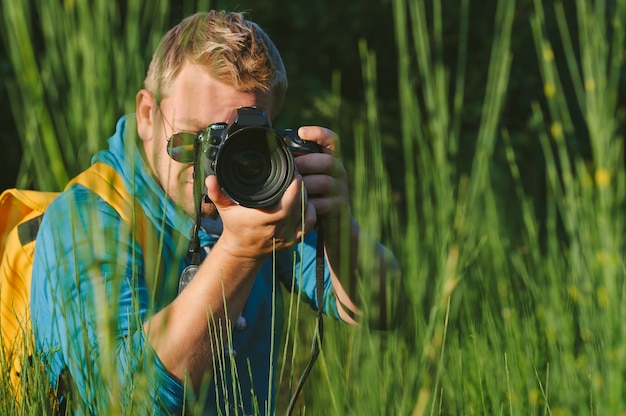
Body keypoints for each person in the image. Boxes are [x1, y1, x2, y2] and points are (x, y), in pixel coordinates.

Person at [30, 10, 401, 415]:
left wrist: (338, 222)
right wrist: (240, 253)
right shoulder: (87, 218)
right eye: (197, 139)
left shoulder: (265, 202)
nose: (215, 168)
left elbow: (384, 308)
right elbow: (123, 403)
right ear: (147, 116)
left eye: (239, 141)